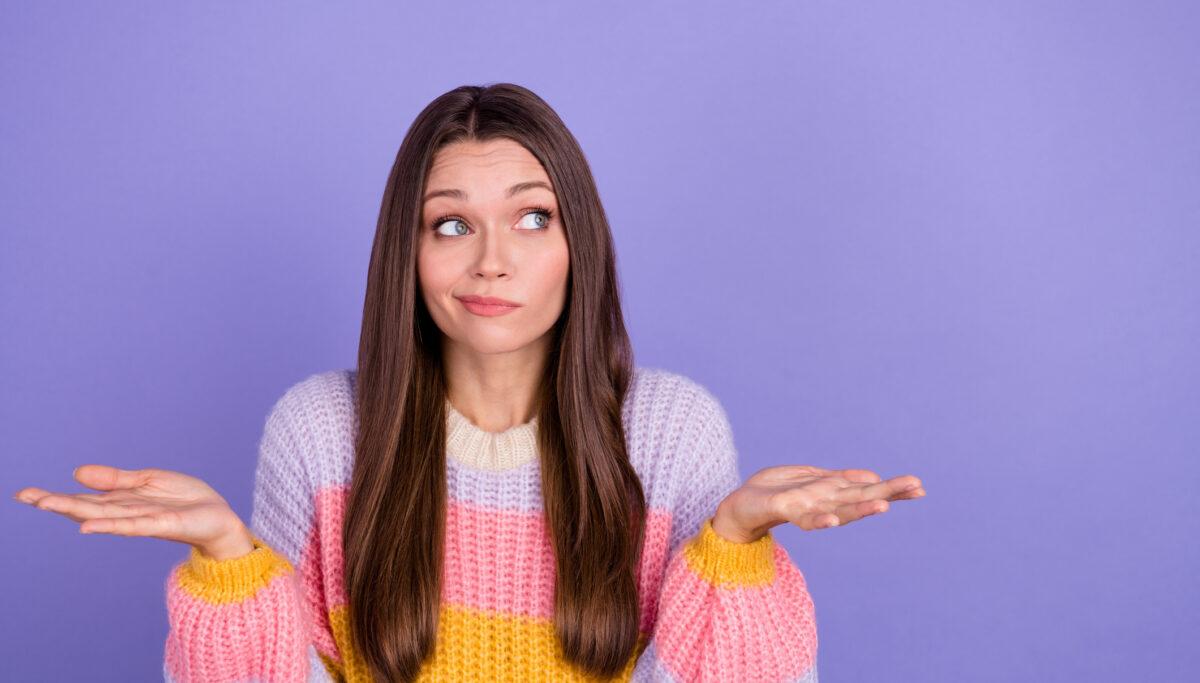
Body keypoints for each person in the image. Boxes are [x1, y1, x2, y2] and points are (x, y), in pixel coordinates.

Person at [13, 83, 925, 683]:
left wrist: (733, 548)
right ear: (406, 255)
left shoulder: (671, 431)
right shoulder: (320, 431)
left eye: (532, 218)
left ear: (579, 244)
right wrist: (226, 560)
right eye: (451, 225)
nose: (493, 261)